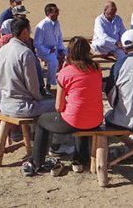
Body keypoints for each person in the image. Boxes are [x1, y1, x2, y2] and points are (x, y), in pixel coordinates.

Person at [24, 37, 104, 176]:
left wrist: (64, 70)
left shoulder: (66, 72)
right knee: (82, 114)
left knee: (42, 121)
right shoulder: (97, 68)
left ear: (70, 52)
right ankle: (80, 159)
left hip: (74, 121)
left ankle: (37, 161)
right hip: (96, 119)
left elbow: (58, 107)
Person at [0, 18, 55, 118]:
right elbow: (32, 84)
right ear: (24, 31)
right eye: (29, 30)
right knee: (57, 104)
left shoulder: (2, 50)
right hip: (22, 106)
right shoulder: (25, 52)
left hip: (4, 104)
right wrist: (39, 98)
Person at [34, 3, 67, 91]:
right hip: (44, 51)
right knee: (53, 61)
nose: (58, 13)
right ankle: (49, 84)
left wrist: (61, 49)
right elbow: (37, 43)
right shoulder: (42, 26)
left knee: (70, 55)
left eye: (58, 11)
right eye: (55, 11)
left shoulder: (57, 23)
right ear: (48, 13)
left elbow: (59, 37)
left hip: (56, 49)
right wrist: (48, 50)